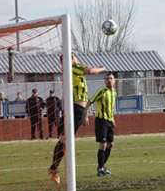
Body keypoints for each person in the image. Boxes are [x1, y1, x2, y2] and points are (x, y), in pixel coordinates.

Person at [47, 54, 105, 184]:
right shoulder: (73, 67)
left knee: (64, 139)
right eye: (73, 57)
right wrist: (102, 68)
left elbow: (84, 67)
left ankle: (54, 167)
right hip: (76, 108)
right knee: (66, 139)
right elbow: (90, 70)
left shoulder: (69, 69)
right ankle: (53, 167)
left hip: (73, 107)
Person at [83, 72, 117, 177]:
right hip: (101, 121)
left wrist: (113, 119)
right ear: (104, 81)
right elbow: (89, 102)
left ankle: (102, 166)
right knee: (103, 144)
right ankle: (101, 169)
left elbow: (110, 107)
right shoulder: (101, 91)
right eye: (107, 79)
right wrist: (86, 116)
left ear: (114, 80)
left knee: (110, 144)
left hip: (109, 121)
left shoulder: (114, 92)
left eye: (111, 78)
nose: (109, 80)